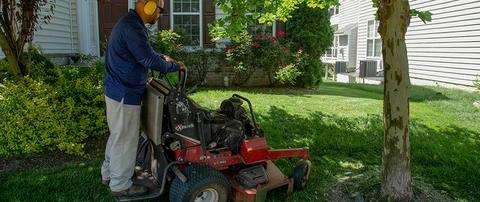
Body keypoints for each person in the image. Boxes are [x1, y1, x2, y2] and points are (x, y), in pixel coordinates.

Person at [101, 0, 187, 197]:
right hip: (125, 93)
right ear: (148, 5)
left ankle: (108, 174)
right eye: (160, 9)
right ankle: (121, 186)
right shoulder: (132, 28)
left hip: (118, 90)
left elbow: (143, 53)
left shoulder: (131, 23)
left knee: (117, 135)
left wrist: (162, 57)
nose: (160, 14)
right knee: (125, 139)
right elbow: (147, 60)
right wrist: (177, 66)